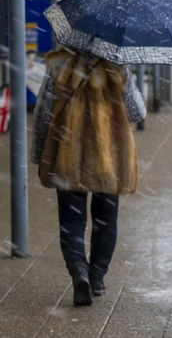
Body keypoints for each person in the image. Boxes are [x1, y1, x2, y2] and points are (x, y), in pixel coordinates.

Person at [31, 47, 146, 306]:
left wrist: (40, 154)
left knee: (71, 219)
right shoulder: (117, 64)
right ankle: (97, 277)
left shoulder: (60, 62)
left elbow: (44, 113)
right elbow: (138, 112)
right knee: (106, 218)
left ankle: (78, 271)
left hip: (67, 154)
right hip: (110, 157)